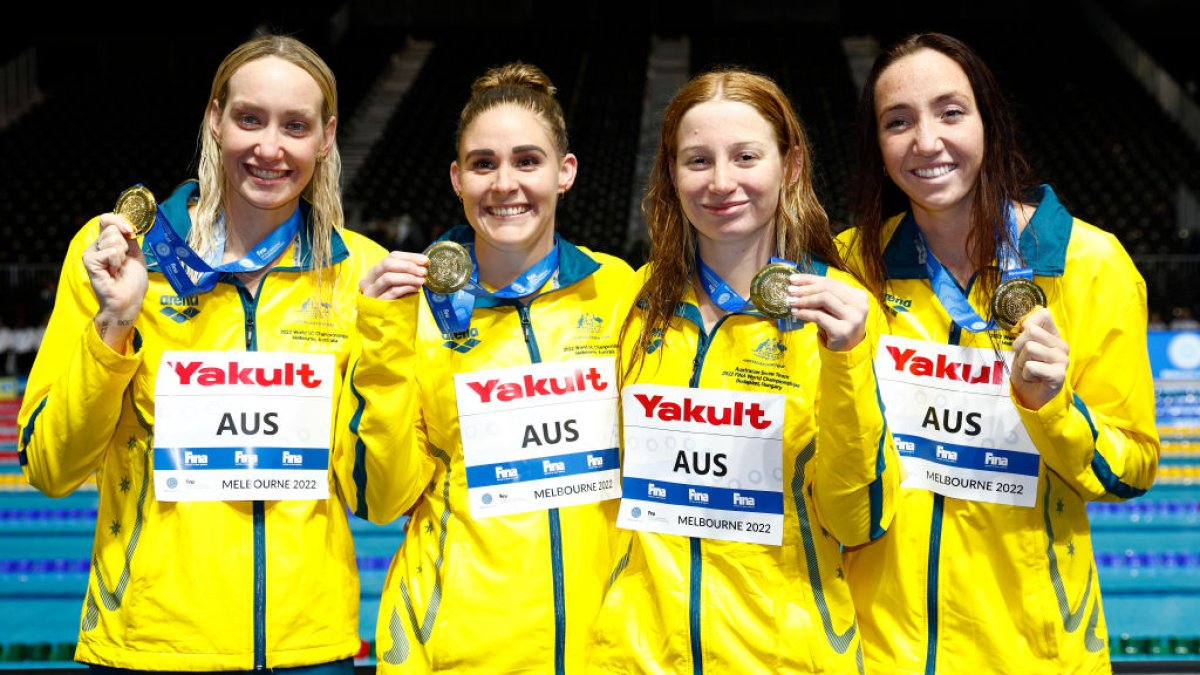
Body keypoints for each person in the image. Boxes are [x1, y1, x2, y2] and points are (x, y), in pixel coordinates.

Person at [17, 35, 395, 673]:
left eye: (295, 126)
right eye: (249, 118)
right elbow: (51, 469)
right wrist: (116, 323)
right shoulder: (122, 254)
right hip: (146, 646)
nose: (269, 148)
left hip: (309, 648)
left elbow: (377, 498)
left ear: (326, 138)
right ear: (215, 119)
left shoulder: (359, 273)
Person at [840, 32, 1161, 673]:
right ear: (877, 145)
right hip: (883, 652)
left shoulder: (1089, 264)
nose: (926, 140)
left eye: (950, 112)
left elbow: (1132, 470)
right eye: (897, 121)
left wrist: (1053, 408)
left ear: (988, 120)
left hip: (1036, 651)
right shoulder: (852, 269)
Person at [586, 68, 899, 673]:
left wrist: (846, 359)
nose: (721, 182)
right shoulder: (635, 304)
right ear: (671, 174)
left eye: (746, 156)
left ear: (791, 165)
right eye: (698, 160)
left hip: (785, 657)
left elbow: (858, 519)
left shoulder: (843, 312)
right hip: (637, 657)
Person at [341, 62, 634, 673]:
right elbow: (381, 500)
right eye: (483, 164)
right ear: (457, 178)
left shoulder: (617, 291)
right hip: (453, 649)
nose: (505, 184)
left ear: (565, 172)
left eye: (527, 161)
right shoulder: (411, 311)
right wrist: (384, 341)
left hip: (604, 651)